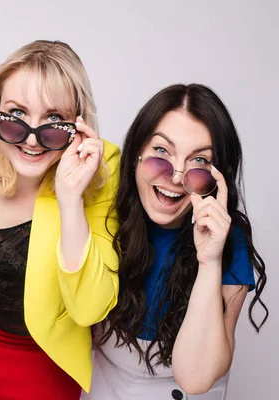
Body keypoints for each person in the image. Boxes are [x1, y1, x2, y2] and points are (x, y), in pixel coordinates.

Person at [0, 40, 121, 400]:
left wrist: (70, 197)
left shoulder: (102, 164)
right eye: (17, 112)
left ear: (78, 122)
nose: (32, 138)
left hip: (51, 366)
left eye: (53, 119)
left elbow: (90, 308)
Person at [86, 83, 268, 400]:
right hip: (105, 386)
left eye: (199, 162)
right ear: (135, 155)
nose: (175, 176)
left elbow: (196, 379)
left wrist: (209, 261)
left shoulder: (228, 240)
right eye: (161, 152)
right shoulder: (102, 209)